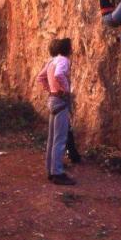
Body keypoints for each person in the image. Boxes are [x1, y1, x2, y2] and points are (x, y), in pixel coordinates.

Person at [37, 37, 76, 185]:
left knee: (52, 139)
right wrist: (65, 90)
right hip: (60, 101)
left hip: (52, 100)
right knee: (60, 140)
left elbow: (40, 78)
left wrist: (51, 90)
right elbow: (59, 74)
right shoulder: (63, 60)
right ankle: (58, 173)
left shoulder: (51, 60)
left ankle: (50, 170)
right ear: (67, 49)